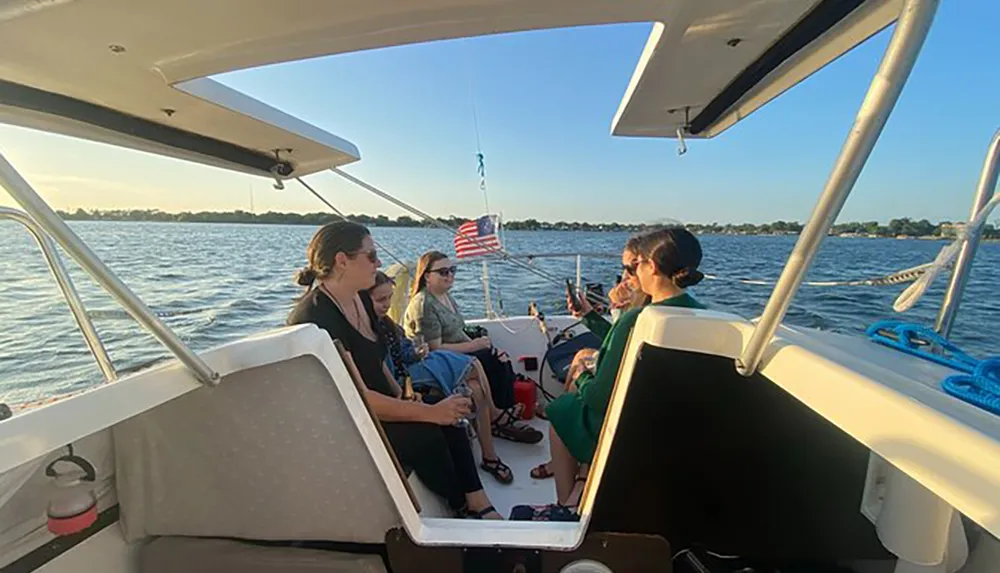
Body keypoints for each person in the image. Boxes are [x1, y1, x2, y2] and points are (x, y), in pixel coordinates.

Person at [286, 221, 501, 519]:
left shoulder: (360, 296)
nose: (380, 262)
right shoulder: (318, 317)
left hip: (381, 402)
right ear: (342, 261)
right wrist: (430, 413)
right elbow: (357, 397)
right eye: (372, 256)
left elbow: (377, 359)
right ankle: (461, 506)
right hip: (353, 419)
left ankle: (477, 501)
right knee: (429, 434)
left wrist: (404, 395)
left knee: (449, 415)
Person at [516, 226, 706, 520]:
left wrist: (580, 376)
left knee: (559, 410)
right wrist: (591, 318)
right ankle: (579, 486)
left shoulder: (637, 318)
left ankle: (567, 508)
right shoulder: (698, 312)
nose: (630, 275)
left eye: (635, 266)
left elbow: (598, 397)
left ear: (651, 266)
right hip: (664, 423)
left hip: (627, 427)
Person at [369, 271, 513, 484]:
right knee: (473, 363)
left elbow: (405, 351)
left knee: (475, 387)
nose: (387, 304)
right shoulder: (368, 331)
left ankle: (489, 456)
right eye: (381, 299)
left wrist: (417, 351)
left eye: (389, 298)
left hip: (413, 366)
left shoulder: (388, 325)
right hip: (405, 380)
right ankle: (494, 417)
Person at [404, 251, 543, 445]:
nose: (450, 275)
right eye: (443, 272)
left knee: (500, 358)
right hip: (436, 360)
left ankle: (505, 415)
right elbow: (435, 349)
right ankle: (500, 419)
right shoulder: (424, 305)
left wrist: (486, 345)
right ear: (427, 276)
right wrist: (474, 345)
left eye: (452, 270)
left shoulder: (445, 296)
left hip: (455, 350)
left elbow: (459, 331)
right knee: (491, 361)